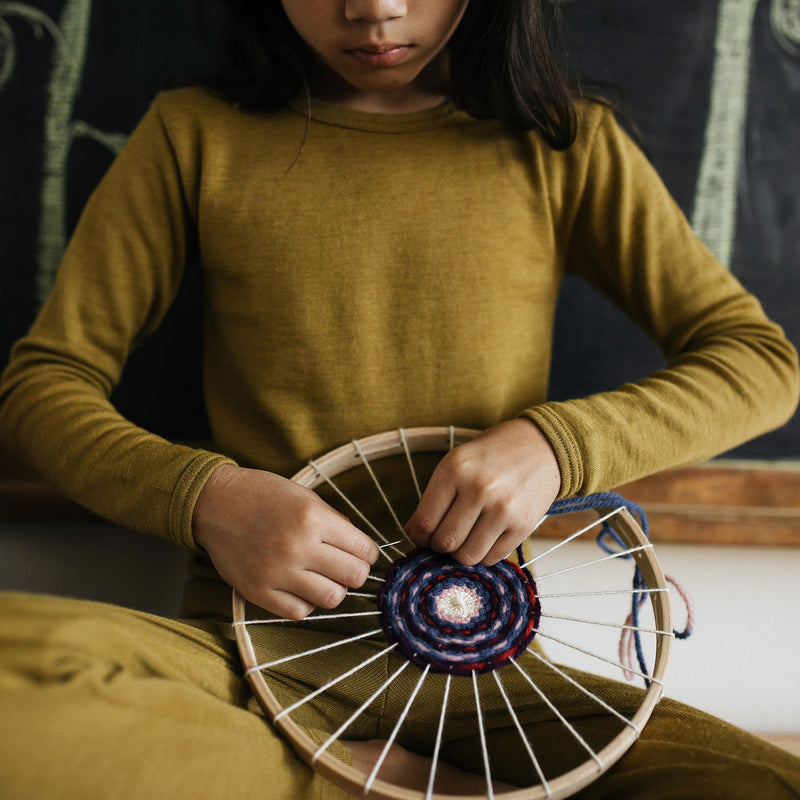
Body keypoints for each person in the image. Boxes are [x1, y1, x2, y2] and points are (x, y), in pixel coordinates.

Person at [1, 0, 799, 797]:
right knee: (19, 672)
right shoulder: (194, 132)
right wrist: (208, 498)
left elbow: (761, 364)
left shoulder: (563, 141)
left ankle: (351, 780)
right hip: (255, 664)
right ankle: (380, 778)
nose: (374, 8)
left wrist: (557, 446)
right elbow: (42, 385)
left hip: (490, 681)